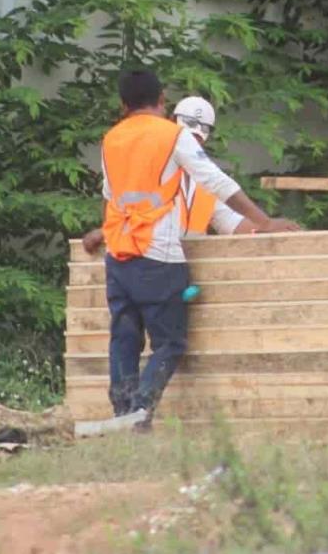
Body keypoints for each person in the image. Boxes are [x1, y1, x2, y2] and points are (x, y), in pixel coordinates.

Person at [81, 71, 295, 428]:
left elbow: (113, 197)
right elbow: (217, 181)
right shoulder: (172, 137)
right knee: (170, 342)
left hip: (119, 255)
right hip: (160, 256)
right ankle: (139, 413)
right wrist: (265, 221)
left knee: (125, 336)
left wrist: (104, 233)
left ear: (123, 105)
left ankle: (121, 410)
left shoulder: (111, 139)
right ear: (162, 99)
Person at [171, 96, 301, 237]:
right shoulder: (159, 168)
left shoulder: (204, 182)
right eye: (187, 135)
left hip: (187, 257)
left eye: (197, 137)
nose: (191, 142)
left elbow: (229, 221)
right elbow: (220, 184)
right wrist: (265, 223)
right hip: (155, 256)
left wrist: (268, 230)